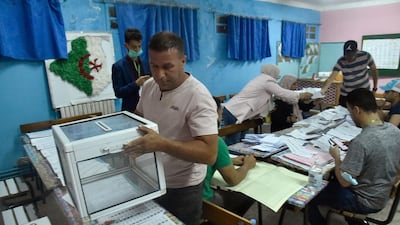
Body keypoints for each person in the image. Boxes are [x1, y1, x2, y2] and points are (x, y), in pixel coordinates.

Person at [122, 31, 218, 225]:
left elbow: (209, 154)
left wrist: (162, 144)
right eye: (154, 66)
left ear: (183, 61)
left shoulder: (198, 96)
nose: (159, 75)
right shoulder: (149, 85)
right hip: (150, 178)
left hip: (181, 189)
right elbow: (139, 118)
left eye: (167, 67)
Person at [308, 88, 400, 225]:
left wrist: (337, 157)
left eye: (350, 111)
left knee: (311, 194)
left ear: (356, 110)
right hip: (382, 192)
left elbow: (344, 182)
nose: (351, 115)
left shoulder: (362, 141)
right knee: (331, 181)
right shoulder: (394, 130)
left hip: (364, 200)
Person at [222, 64, 313, 145]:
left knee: (241, 139)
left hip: (239, 111)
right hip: (235, 112)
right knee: (233, 141)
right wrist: (300, 95)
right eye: (277, 74)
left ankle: (238, 157)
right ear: (273, 72)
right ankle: (230, 160)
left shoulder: (262, 79)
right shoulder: (267, 81)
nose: (277, 76)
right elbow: (282, 93)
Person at [203, 97, 257, 216]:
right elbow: (233, 180)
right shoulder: (215, 141)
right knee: (248, 195)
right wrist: (247, 165)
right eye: (220, 114)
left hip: (179, 201)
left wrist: (230, 161)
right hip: (203, 202)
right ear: (214, 115)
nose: (221, 118)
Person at [321, 40, 379, 107]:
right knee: (342, 113)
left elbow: (374, 71)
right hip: (346, 94)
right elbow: (331, 78)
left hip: (362, 93)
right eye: (347, 55)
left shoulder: (366, 56)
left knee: (361, 114)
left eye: (351, 56)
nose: (349, 58)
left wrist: (374, 88)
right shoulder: (341, 61)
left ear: (356, 51)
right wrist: (323, 90)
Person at [112, 28, 150, 113]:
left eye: (139, 46)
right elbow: (118, 93)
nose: (137, 49)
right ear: (126, 46)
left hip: (148, 108)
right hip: (130, 110)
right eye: (134, 47)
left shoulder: (146, 64)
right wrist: (135, 84)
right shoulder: (118, 67)